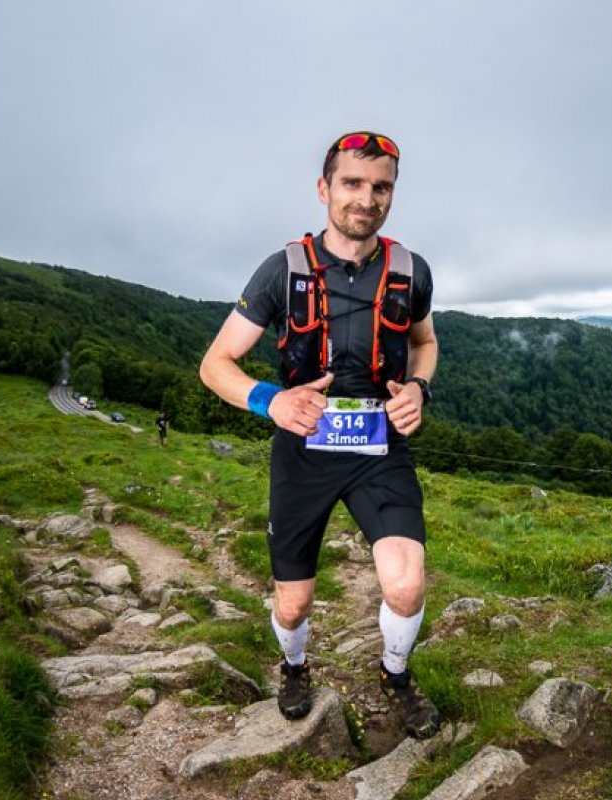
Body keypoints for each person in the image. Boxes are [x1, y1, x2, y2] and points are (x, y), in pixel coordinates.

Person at [199, 131, 441, 739]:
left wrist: (419, 389)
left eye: (381, 187)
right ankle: (294, 665)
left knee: (407, 584)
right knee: (293, 603)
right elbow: (215, 364)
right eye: (352, 183)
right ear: (323, 188)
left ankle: (395, 675)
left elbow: (425, 342)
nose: (367, 199)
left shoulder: (410, 270)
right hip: (303, 447)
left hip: (379, 446)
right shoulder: (283, 271)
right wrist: (272, 400)